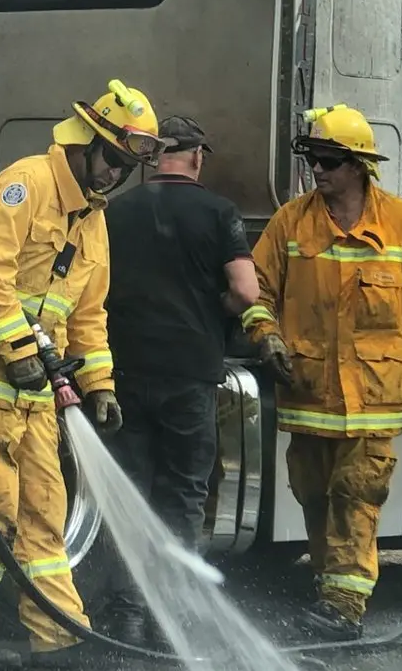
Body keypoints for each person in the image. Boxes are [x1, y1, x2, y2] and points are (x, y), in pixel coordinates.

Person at [0, 79, 164, 670]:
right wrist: (19, 350)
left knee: (45, 514)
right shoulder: (23, 186)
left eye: (126, 170)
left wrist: (100, 384)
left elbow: (88, 312)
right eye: (111, 161)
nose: (113, 177)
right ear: (85, 143)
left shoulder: (92, 221)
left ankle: (59, 637)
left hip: (36, 399)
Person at [242, 104, 402, 641]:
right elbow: (257, 290)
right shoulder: (290, 223)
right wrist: (265, 335)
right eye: (313, 159)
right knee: (316, 496)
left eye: (328, 159)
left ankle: (344, 605)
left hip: (373, 397)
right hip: (310, 396)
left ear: (358, 165)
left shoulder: (400, 223)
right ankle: (329, 591)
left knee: (357, 493)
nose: (317, 170)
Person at [95, 115, 259, 648]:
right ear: (195, 157)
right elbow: (246, 291)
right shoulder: (219, 213)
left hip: (124, 371)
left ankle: (126, 615)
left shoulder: (116, 211)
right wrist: (215, 313)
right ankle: (173, 620)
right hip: (189, 375)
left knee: (132, 496)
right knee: (184, 497)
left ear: (154, 157)